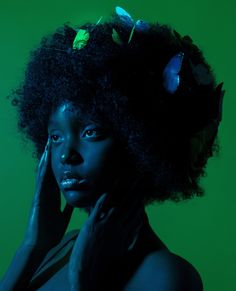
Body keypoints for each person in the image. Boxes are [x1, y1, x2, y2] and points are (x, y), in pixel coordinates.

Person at [0, 6, 225, 291]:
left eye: (90, 132)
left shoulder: (166, 276)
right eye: (55, 137)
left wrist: (84, 280)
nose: (67, 154)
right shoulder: (57, 249)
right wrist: (30, 249)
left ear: (140, 142)